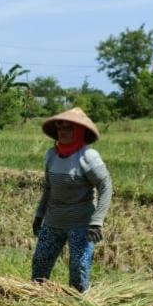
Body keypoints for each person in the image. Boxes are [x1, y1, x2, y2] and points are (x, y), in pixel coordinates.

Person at [31, 107, 113, 292]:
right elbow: (49, 188)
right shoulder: (51, 155)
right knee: (40, 263)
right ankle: (38, 300)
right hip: (53, 221)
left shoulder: (87, 157)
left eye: (69, 129)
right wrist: (39, 215)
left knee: (78, 268)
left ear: (79, 132)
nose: (64, 132)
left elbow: (106, 186)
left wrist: (97, 221)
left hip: (81, 224)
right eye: (61, 129)